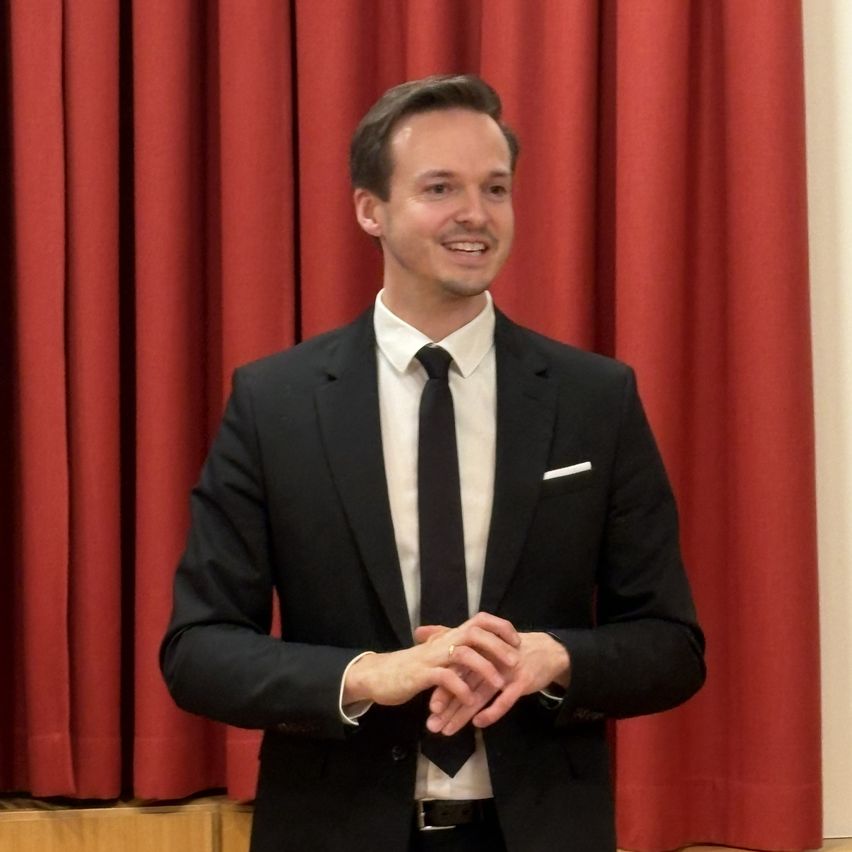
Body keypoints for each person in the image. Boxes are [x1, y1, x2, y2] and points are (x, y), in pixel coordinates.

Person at [160, 74, 705, 852]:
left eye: (495, 188)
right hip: (335, 831)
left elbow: (672, 646)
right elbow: (198, 650)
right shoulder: (274, 403)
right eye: (440, 187)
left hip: (540, 831)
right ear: (369, 210)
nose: (475, 215)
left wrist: (552, 658)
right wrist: (364, 676)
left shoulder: (597, 399)